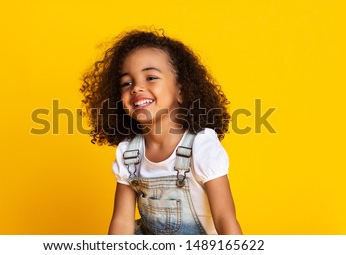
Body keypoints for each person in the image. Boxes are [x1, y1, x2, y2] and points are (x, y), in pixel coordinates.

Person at [81, 29, 242, 235]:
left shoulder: (201, 146)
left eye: (150, 77)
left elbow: (224, 218)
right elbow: (122, 222)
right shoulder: (129, 153)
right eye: (127, 83)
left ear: (181, 91)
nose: (136, 88)